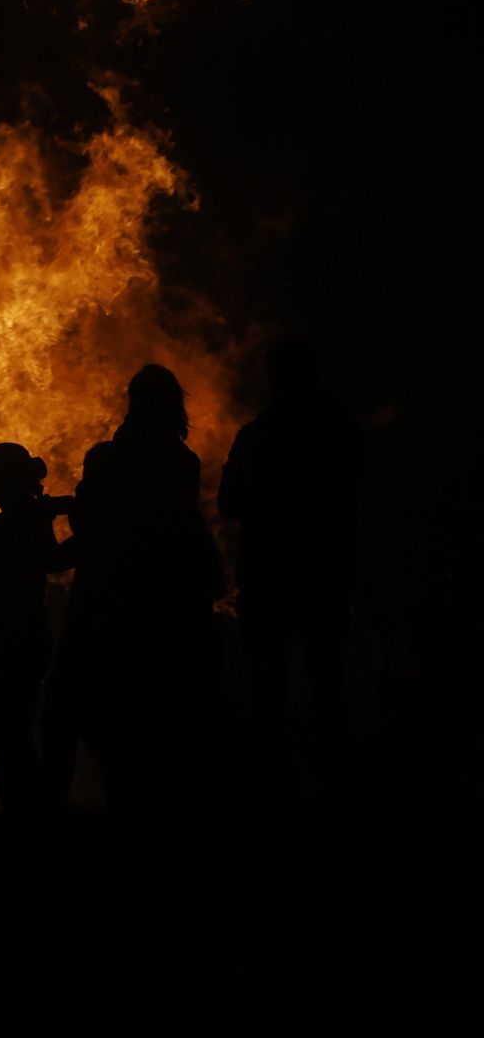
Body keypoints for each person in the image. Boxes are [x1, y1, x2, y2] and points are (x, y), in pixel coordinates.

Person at [59, 366, 224, 813]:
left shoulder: (108, 459)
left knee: (107, 712)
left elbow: (92, 523)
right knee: (167, 710)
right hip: (172, 601)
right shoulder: (182, 461)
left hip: (115, 601)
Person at [219, 342, 363, 798]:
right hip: (325, 573)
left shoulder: (258, 436)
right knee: (329, 682)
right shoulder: (340, 430)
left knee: (267, 688)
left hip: (270, 576)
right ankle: (337, 782)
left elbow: (229, 502)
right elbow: (360, 492)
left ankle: (271, 788)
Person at [0, 444, 63, 814]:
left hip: (4, 640)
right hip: (28, 635)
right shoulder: (32, 518)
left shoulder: (4, 526)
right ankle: (33, 812)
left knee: (7, 737)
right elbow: (53, 560)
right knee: (16, 734)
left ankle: (27, 813)